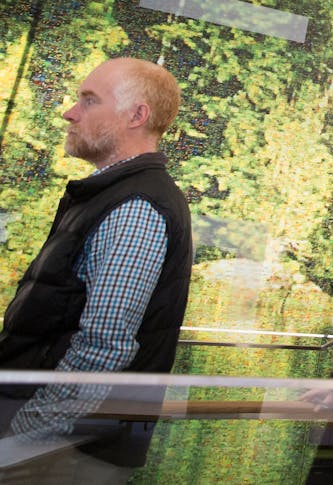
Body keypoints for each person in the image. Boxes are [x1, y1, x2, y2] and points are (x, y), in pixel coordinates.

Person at [0, 58, 192, 472]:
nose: (69, 111)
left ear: (136, 116)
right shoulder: (111, 195)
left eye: (89, 101)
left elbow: (104, 349)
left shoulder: (136, 206)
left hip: (63, 453)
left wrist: (20, 441)